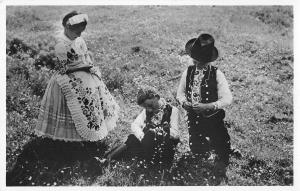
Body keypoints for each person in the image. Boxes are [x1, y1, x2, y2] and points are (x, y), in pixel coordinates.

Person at [7, 11, 120, 185]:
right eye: (77, 31)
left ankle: (87, 136)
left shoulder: (79, 40)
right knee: (72, 109)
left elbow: (86, 55)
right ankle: (67, 143)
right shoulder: (61, 45)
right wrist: (84, 66)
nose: (80, 34)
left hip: (84, 76)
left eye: (82, 31)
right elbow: (61, 69)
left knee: (89, 107)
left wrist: (89, 65)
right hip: (66, 81)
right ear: (68, 27)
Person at [176, 33, 233, 178]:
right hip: (194, 118)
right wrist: (184, 103)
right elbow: (180, 94)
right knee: (197, 149)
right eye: (195, 61)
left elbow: (227, 98)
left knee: (221, 146)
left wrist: (209, 106)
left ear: (209, 61)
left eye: (202, 62)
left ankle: (222, 150)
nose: (198, 65)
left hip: (213, 118)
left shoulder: (217, 74)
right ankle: (202, 148)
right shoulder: (187, 72)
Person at [106, 87, 180, 168]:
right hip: (148, 144)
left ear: (157, 97)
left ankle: (147, 162)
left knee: (148, 137)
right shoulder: (147, 111)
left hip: (164, 146)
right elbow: (135, 125)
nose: (149, 109)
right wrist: (142, 136)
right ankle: (107, 159)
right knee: (132, 138)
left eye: (150, 105)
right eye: (145, 107)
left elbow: (176, 135)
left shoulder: (173, 110)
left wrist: (164, 131)